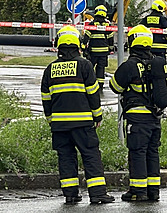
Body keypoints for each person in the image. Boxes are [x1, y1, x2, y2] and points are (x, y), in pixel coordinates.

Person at [41, 25, 115, 205]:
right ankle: (97, 194)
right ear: (78, 44)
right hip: (82, 123)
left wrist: (52, 121)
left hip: (59, 125)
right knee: (90, 155)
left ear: (58, 45)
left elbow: (46, 99)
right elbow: (92, 93)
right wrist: (97, 116)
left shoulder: (50, 69)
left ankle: (70, 195)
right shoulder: (84, 65)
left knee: (65, 158)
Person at [109, 25, 167, 202]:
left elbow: (115, 87)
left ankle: (138, 191)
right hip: (155, 117)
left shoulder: (130, 65)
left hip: (137, 119)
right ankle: (154, 191)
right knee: (152, 153)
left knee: (137, 152)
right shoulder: (157, 63)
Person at [82, 5, 114, 95]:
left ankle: (89, 84)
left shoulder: (92, 25)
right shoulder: (107, 25)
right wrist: (111, 48)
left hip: (93, 53)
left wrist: (84, 49)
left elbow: (86, 38)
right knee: (101, 70)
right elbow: (110, 39)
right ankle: (100, 88)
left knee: (90, 69)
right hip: (103, 53)